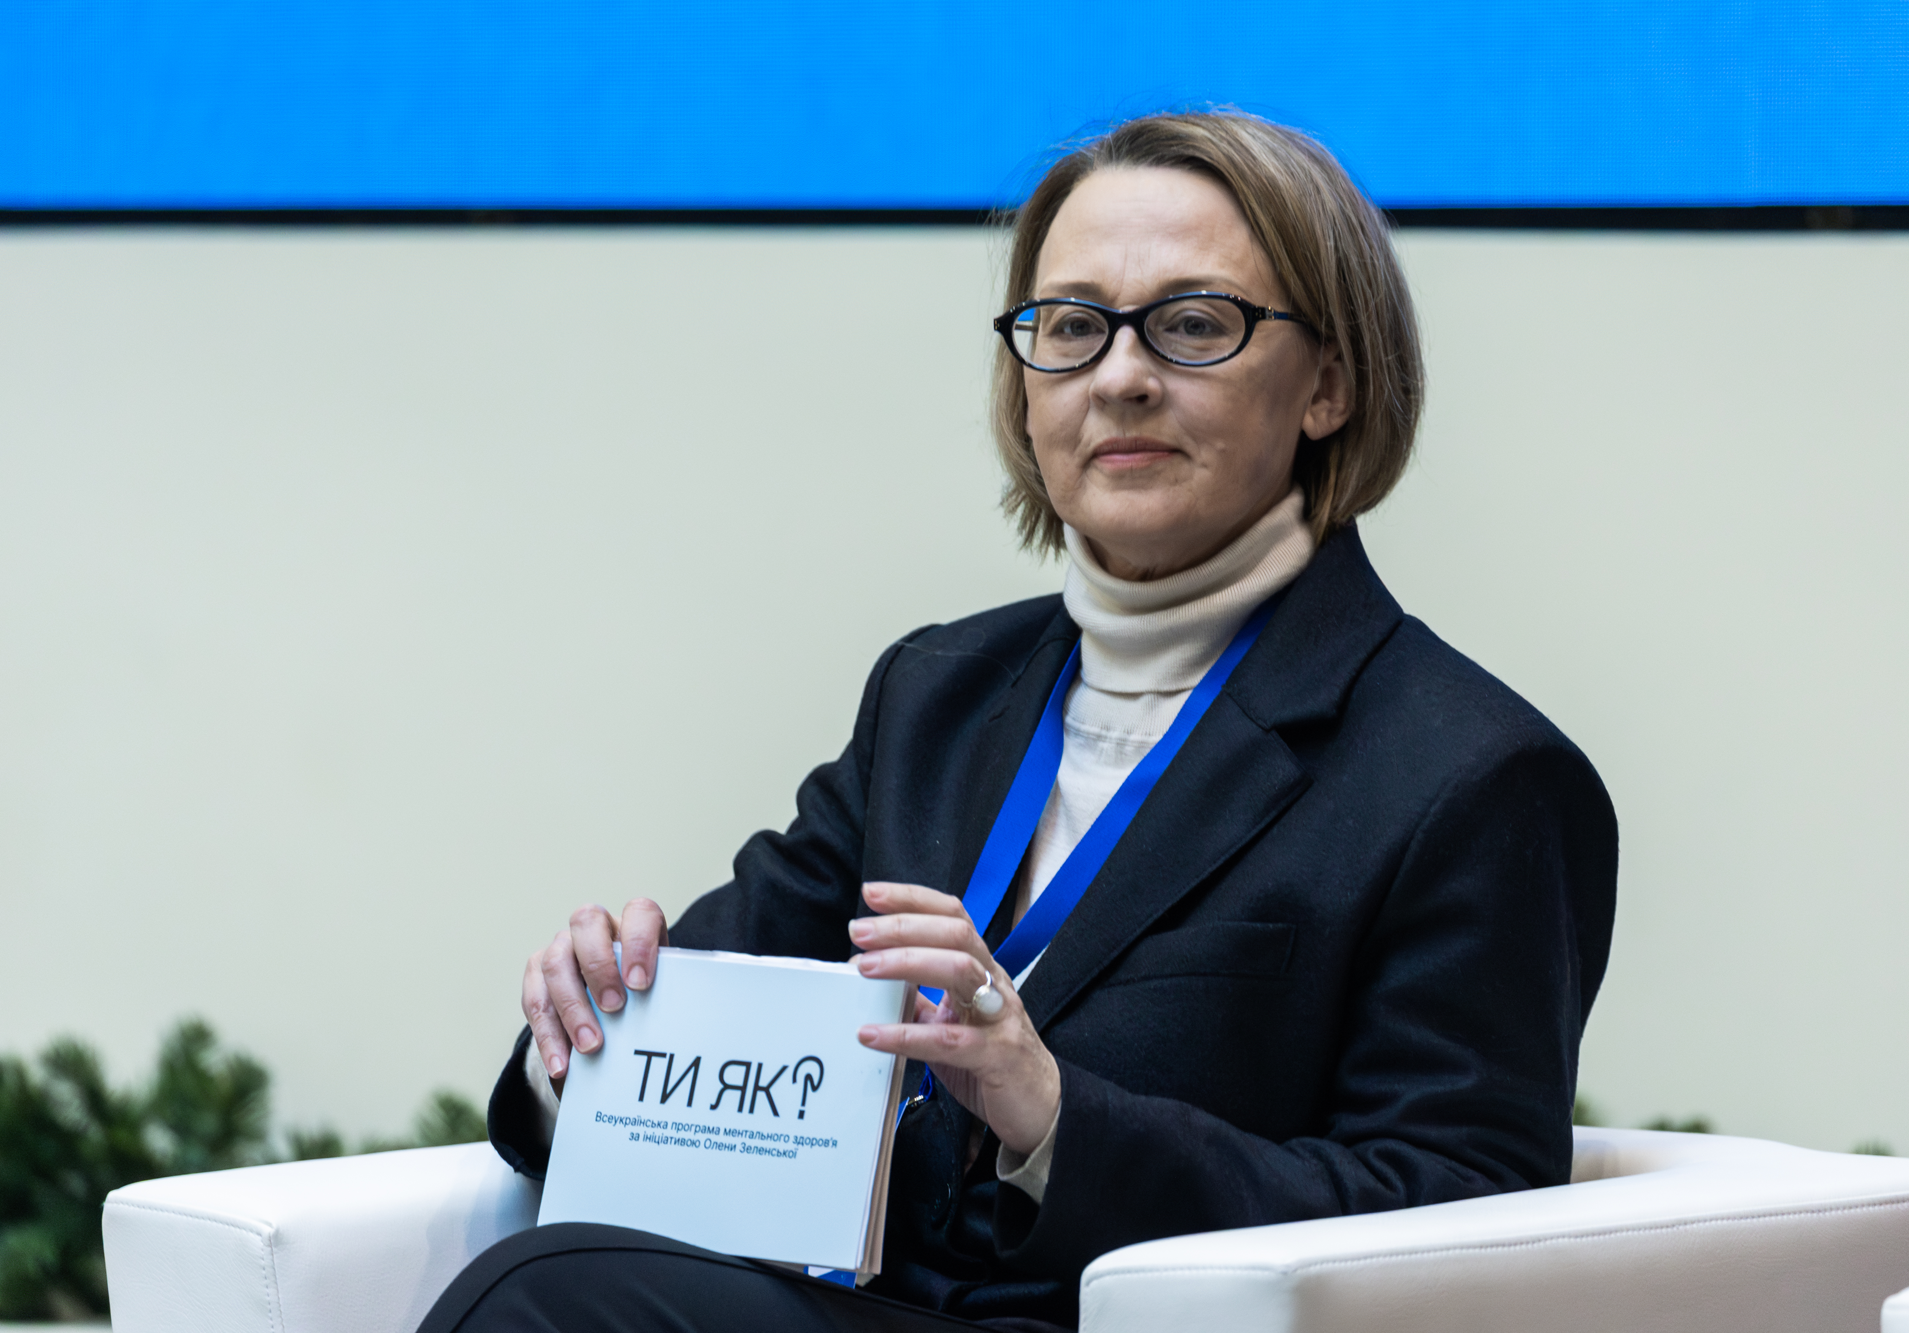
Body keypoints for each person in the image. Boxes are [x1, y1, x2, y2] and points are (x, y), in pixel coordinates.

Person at [420, 110, 1617, 1333]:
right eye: (1073, 326)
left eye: (1194, 323)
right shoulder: (935, 696)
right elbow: (722, 1008)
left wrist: (1052, 1115)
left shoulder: (1472, 774)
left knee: (548, 1299)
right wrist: (593, 1027)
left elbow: (1453, 1219)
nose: (1121, 376)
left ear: (1328, 384)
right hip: (865, 1307)